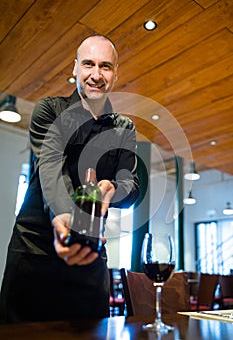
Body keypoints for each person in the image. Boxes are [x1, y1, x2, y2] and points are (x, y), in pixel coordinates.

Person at [0, 35, 139, 323]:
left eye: (105, 66)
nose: (96, 75)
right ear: (75, 68)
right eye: (88, 64)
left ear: (116, 74)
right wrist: (64, 213)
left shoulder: (125, 128)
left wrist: (114, 189)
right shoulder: (49, 109)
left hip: (89, 260)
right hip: (34, 253)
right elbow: (51, 163)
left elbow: (131, 184)